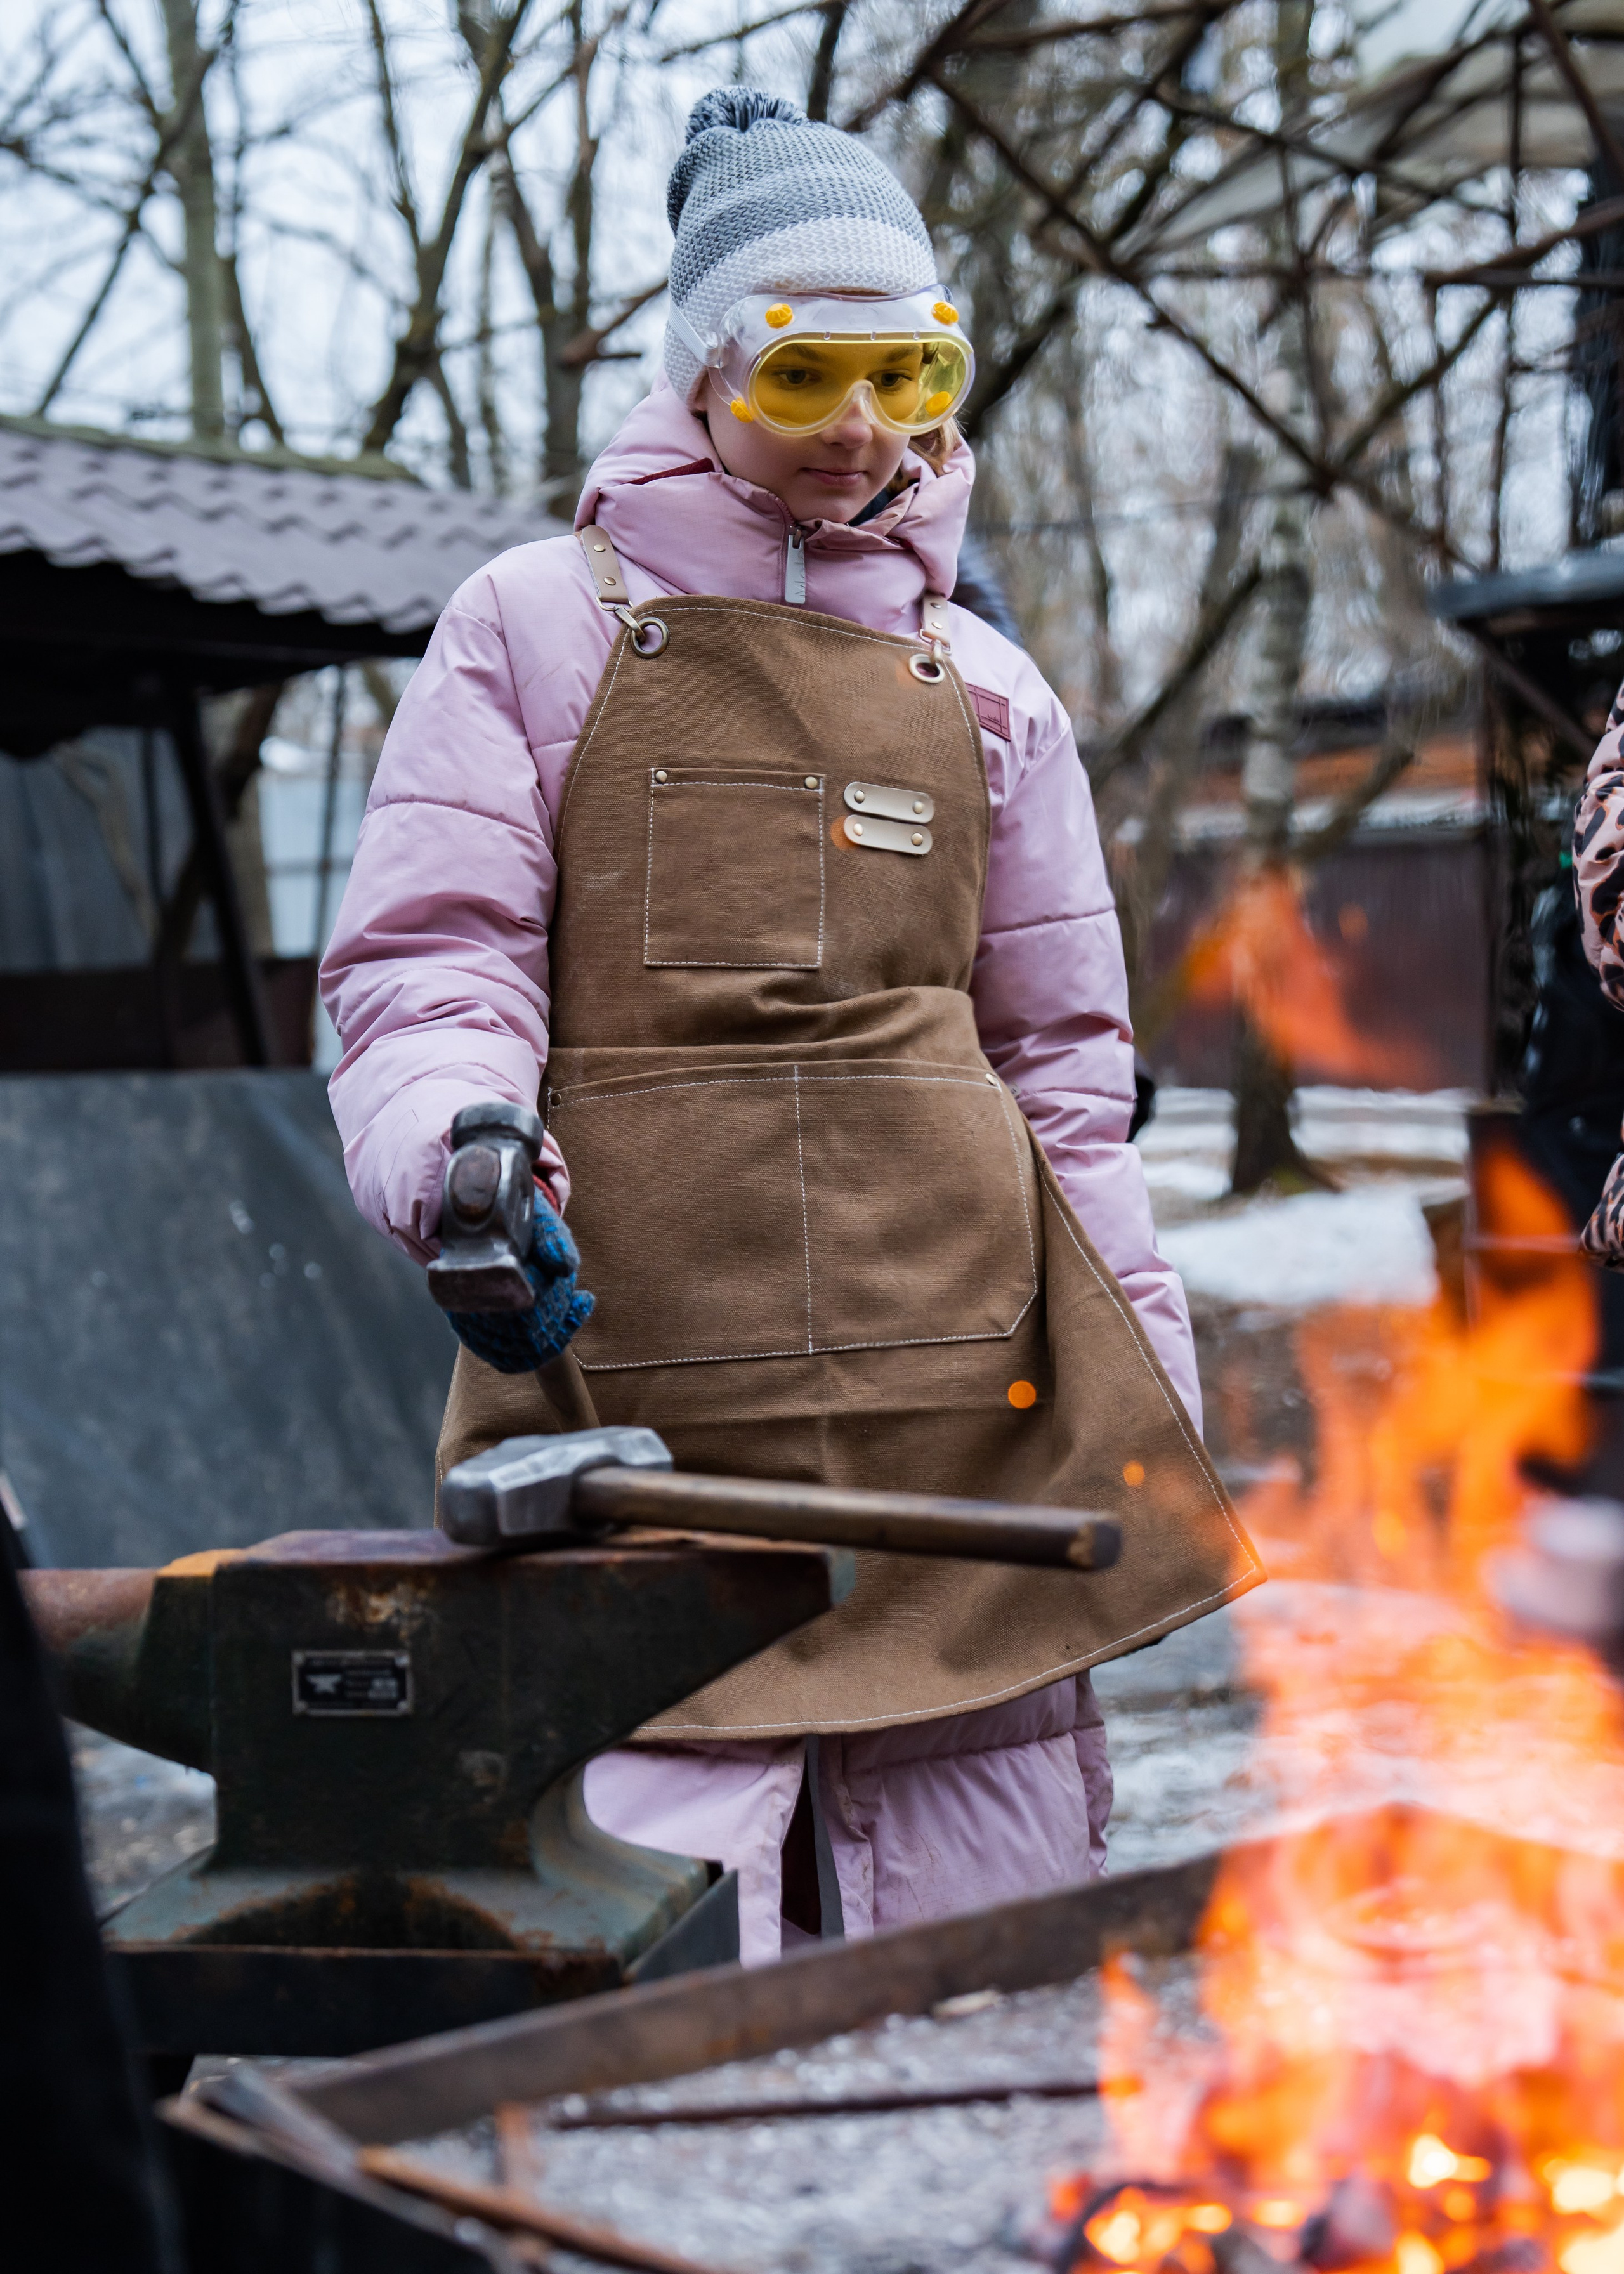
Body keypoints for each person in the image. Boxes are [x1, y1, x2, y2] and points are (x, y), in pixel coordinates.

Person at [322, 88, 1260, 1964]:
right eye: (805, 371)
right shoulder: (533, 626)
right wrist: (458, 1146)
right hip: (634, 1402)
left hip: (959, 1415)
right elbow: (433, 961)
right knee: (644, 1945)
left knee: (976, 1977)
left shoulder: (989, 688)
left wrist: (1141, 1364)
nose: (860, 433)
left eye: (907, 375)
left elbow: (1065, 1083)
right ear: (698, 368)